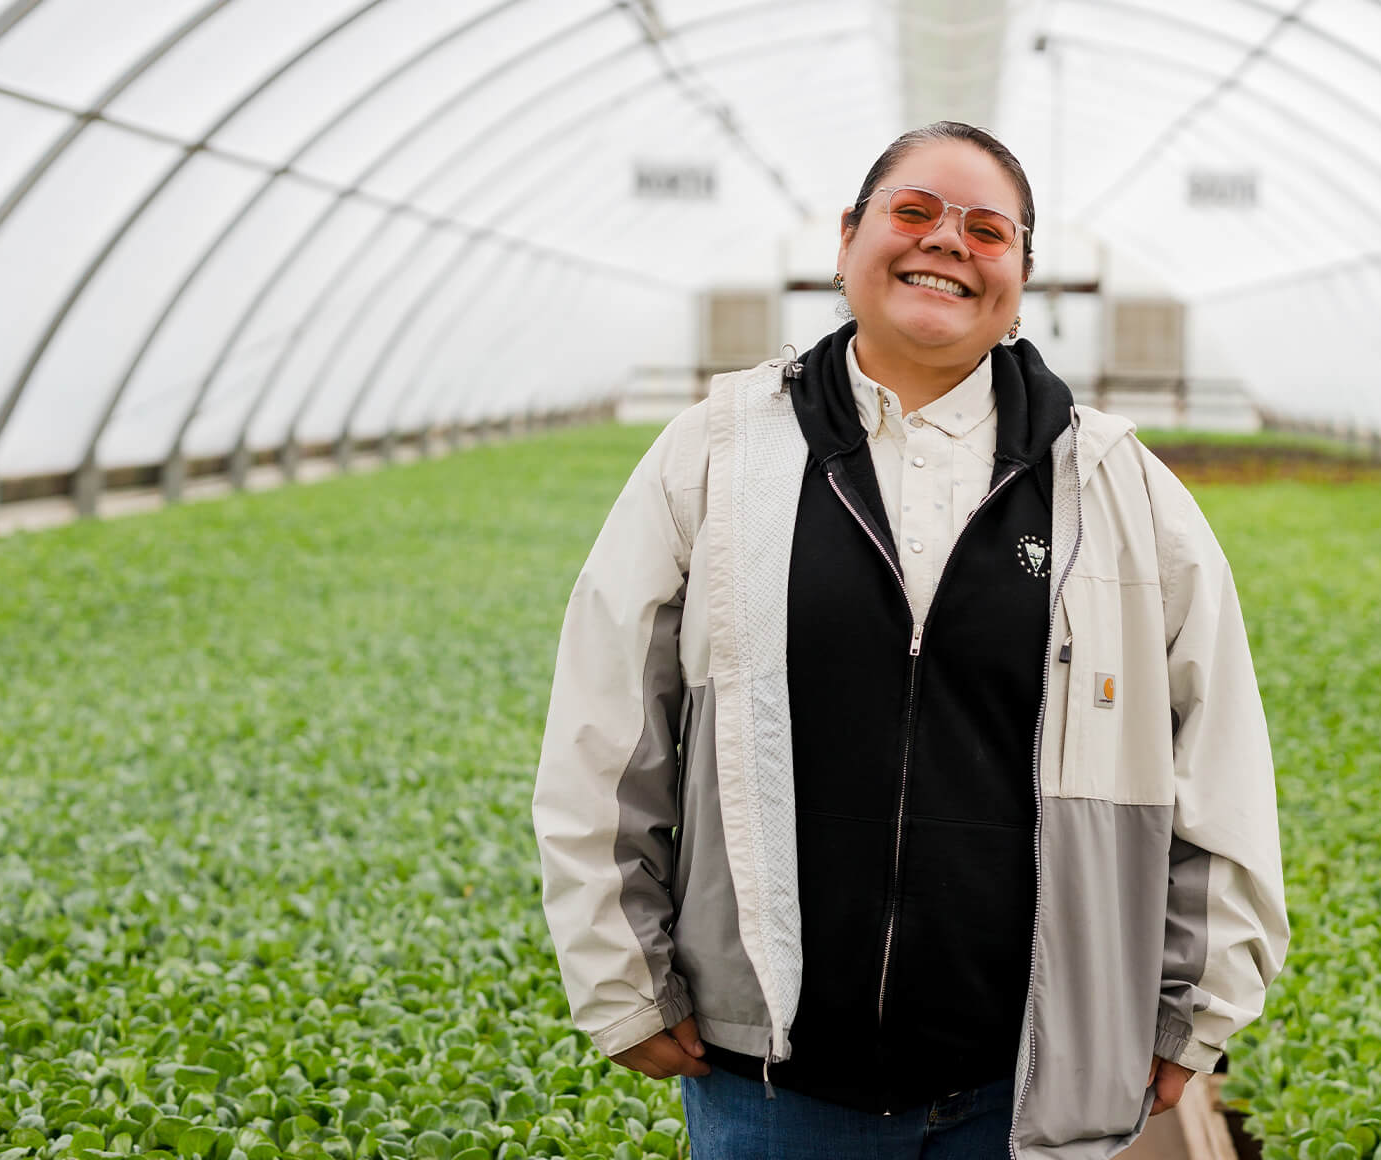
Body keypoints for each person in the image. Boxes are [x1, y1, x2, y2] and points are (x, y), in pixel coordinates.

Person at [532, 121, 1288, 1159]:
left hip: (1023, 1081)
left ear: (1023, 276)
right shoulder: (716, 454)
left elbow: (1220, 760)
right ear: (848, 240)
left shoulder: (1118, 486)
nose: (947, 242)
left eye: (988, 229)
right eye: (915, 212)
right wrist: (622, 974)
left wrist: (1195, 1002)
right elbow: (607, 724)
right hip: (774, 1086)